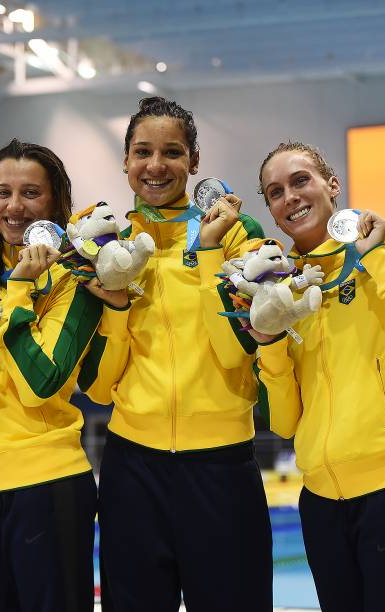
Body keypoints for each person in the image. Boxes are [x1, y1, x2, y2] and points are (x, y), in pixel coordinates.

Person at [252, 141, 385, 611]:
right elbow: (284, 422)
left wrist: (376, 262)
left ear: (332, 184)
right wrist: (268, 344)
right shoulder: (278, 287)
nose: (289, 196)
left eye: (300, 180)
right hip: (320, 502)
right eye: (275, 192)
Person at [79, 97, 273, 611]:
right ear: (125, 161)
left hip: (221, 468)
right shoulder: (107, 247)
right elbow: (98, 388)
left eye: (172, 152)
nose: (156, 165)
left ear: (194, 161)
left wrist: (208, 249)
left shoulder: (236, 236)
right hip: (132, 471)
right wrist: (117, 307)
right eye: (142, 152)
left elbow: (237, 355)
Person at [0, 139, 102, 612]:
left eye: (30, 193)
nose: (14, 207)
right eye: (2, 192)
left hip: (46, 488)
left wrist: (17, 293)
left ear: (55, 203)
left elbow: (42, 383)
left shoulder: (77, 280)